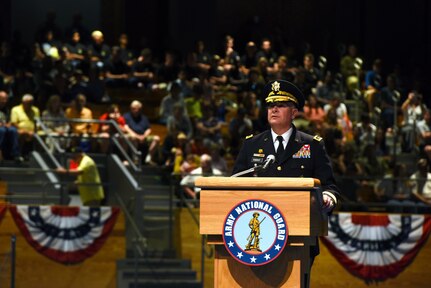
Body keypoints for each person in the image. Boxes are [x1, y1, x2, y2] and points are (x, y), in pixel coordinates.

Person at [231, 80, 340, 284]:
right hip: (259, 239)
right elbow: (235, 184)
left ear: (294, 112)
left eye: (281, 105)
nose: (274, 109)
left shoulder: (311, 145)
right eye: (271, 105)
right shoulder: (251, 144)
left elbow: (329, 185)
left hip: (299, 235)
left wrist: (327, 197)